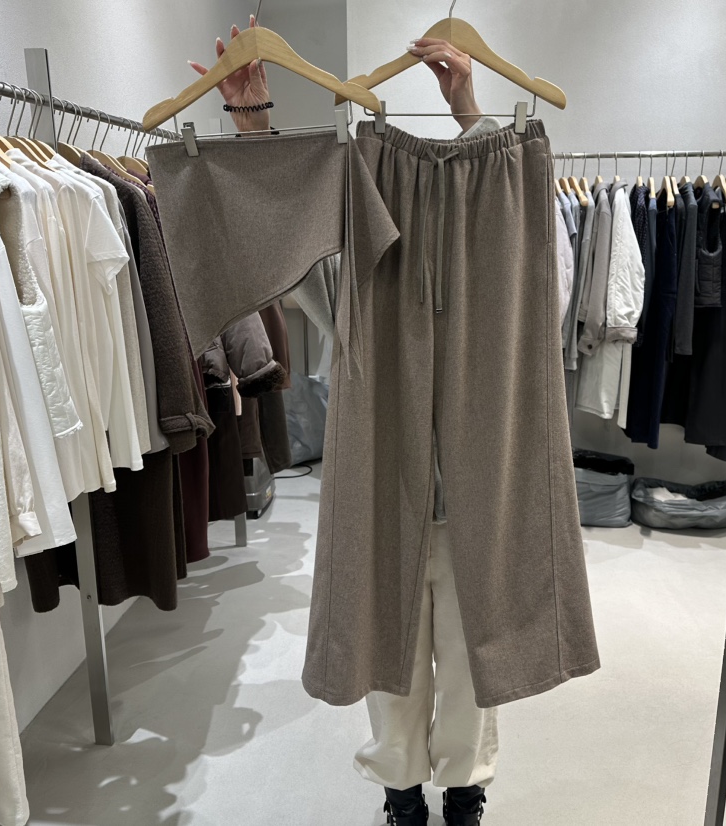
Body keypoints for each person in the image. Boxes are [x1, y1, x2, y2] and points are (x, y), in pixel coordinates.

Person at [191, 18, 503, 826]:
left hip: (476, 483)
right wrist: (252, 123)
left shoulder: (497, 254)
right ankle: (403, 793)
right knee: (384, 643)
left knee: (474, 649)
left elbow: (511, 219)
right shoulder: (361, 265)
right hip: (380, 477)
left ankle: (464, 792)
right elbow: (284, 233)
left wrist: (469, 112)